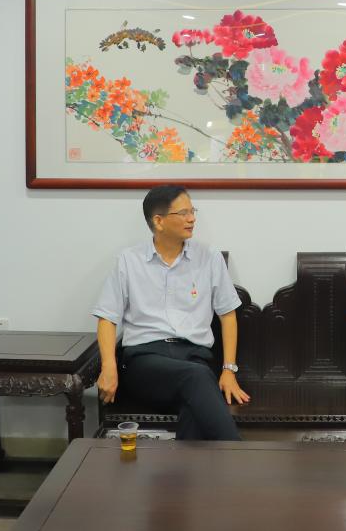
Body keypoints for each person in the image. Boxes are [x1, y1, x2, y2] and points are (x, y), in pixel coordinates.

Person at [92, 185, 249, 439]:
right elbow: (107, 317)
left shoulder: (209, 257)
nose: (192, 218)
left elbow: (228, 314)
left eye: (193, 211)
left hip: (194, 357)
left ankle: (192, 468)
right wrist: (108, 366)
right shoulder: (129, 261)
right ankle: (240, 455)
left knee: (193, 407)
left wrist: (229, 370)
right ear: (159, 221)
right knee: (198, 378)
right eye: (184, 213)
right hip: (145, 362)